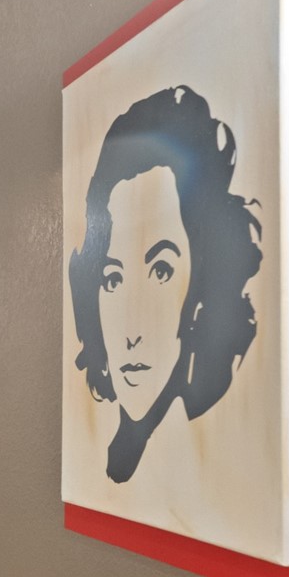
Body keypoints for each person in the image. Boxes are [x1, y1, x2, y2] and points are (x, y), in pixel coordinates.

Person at [67, 84, 263, 483]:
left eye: (161, 271)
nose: (132, 332)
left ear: (204, 280)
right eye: (112, 279)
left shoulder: (216, 460)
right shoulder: (104, 458)